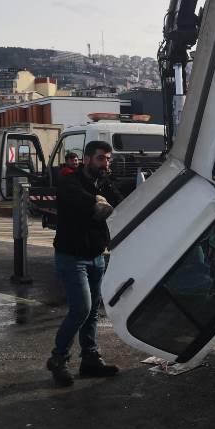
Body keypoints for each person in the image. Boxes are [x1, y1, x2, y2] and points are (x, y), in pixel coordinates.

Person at [47, 141, 124, 387]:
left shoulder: (104, 184)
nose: (106, 163)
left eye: (108, 159)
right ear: (87, 159)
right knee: (81, 308)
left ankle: (89, 358)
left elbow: (121, 204)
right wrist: (98, 201)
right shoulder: (70, 182)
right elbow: (89, 203)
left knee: (91, 313)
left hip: (96, 256)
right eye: (101, 159)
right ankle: (58, 359)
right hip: (72, 257)